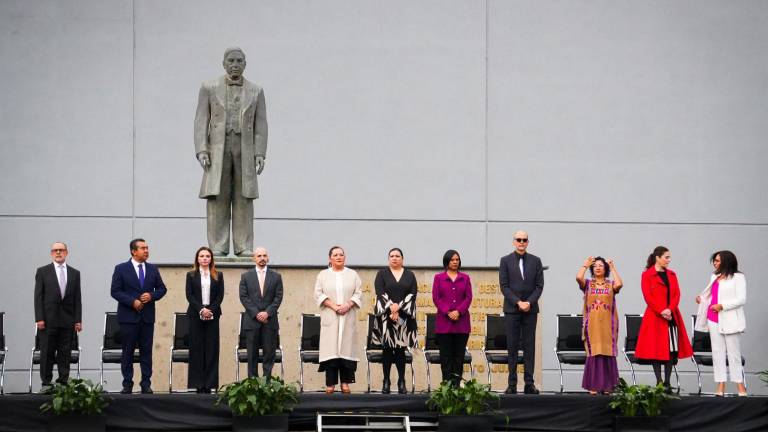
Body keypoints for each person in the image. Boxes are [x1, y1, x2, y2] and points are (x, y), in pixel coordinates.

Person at [194, 47, 268, 257]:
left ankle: (243, 245)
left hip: (244, 148)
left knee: (244, 197)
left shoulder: (256, 90)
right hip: (218, 149)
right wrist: (201, 149)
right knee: (218, 197)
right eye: (231, 61)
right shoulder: (209, 87)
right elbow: (201, 120)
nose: (235, 64)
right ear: (224, 63)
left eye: (239, 61)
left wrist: (260, 153)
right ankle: (218, 245)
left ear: (245, 64)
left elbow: (261, 124)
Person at [110, 238, 167, 394]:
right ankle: (127, 383)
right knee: (127, 351)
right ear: (133, 251)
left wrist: (151, 295)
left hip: (147, 318)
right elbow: (115, 291)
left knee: (146, 352)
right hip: (128, 318)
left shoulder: (153, 269)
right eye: (142, 248)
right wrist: (132, 301)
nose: (146, 250)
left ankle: (145, 383)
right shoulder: (121, 268)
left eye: (147, 248)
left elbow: (162, 289)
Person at [635, 246, 692, 393]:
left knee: (671, 350)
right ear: (658, 258)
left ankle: (667, 382)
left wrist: (669, 309)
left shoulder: (672, 274)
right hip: (655, 317)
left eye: (669, 257)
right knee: (656, 350)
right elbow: (648, 297)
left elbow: (676, 295)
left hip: (671, 316)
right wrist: (661, 310)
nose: (669, 260)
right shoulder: (647, 275)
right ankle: (659, 382)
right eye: (666, 257)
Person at [694, 250, 747, 396]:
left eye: (717, 260)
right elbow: (711, 296)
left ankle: (740, 386)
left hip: (730, 320)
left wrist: (722, 306)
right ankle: (720, 385)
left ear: (726, 261)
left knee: (733, 354)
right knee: (717, 353)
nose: (715, 263)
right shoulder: (714, 276)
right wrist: (702, 299)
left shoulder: (738, 277)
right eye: (714, 260)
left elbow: (741, 299)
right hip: (713, 318)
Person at [499, 231, 544, 394]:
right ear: (513, 242)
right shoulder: (505, 261)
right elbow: (504, 286)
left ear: (528, 242)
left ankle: (529, 383)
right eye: (519, 240)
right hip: (512, 310)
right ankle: (512, 384)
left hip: (530, 311)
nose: (521, 242)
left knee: (529, 346)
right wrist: (518, 302)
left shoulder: (536, 261)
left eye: (524, 240)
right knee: (512, 346)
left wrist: (528, 302)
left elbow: (539, 286)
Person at [314, 246, 362, 394]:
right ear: (330, 258)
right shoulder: (323, 275)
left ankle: (345, 383)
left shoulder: (353, 274)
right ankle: (330, 384)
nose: (339, 257)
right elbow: (318, 293)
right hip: (331, 317)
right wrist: (334, 306)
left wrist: (348, 305)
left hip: (347, 318)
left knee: (346, 351)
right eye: (335, 255)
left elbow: (358, 293)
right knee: (331, 352)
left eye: (341, 254)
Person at [33, 242, 82, 389]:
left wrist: (78, 320)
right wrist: (39, 318)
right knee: (47, 352)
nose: (58, 253)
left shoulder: (75, 273)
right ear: (51, 253)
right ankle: (46, 383)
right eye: (55, 250)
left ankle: (63, 383)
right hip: (48, 320)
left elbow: (77, 299)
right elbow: (38, 297)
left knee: (64, 353)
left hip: (67, 320)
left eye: (61, 250)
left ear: (66, 252)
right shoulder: (43, 271)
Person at [372, 248, 417, 394]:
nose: (394, 258)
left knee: (399, 350)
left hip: (403, 317)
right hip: (386, 317)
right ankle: (386, 380)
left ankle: (401, 380)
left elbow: (412, 293)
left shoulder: (410, 275)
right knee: (387, 349)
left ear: (402, 259)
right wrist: (391, 307)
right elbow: (380, 292)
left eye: (397, 256)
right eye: (391, 256)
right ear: (388, 259)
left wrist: (398, 308)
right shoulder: (381, 274)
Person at [576, 256, 623, 395]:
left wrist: (613, 268)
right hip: (592, 326)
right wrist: (585, 265)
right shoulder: (588, 284)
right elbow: (578, 278)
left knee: (607, 352)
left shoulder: (610, 285)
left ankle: (608, 386)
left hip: (608, 325)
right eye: (595, 265)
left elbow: (619, 284)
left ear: (605, 269)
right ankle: (593, 385)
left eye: (601, 265)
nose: (597, 267)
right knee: (594, 352)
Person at [239, 247, 283, 379]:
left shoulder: (276, 277)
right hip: (252, 322)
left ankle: (266, 383)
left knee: (269, 353)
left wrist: (267, 313)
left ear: (268, 258)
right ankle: (253, 382)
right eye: (259, 256)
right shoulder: (246, 276)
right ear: (254, 258)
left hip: (270, 322)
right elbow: (244, 297)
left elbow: (278, 297)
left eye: (264, 255)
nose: (262, 258)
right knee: (251, 354)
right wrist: (257, 313)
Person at [185, 246, 225, 393]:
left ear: (211, 259)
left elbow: (220, 296)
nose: (204, 258)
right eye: (201, 256)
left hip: (213, 315)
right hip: (196, 314)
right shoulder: (190, 275)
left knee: (212, 349)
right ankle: (198, 384)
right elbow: (189, 295)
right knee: (196, 349)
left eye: (207, 256)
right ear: (197, 258)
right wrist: (201, 309)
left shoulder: (218, 275)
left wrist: (210, 310)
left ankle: (209, 384)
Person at [432, 249, 472, 387]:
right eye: (452, 260)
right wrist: (448, 311)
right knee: (446, 357)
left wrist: (458, 312)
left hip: (462, 324)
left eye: (457, 260)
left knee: (458, 358)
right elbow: (436, 298)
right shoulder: (438, 278)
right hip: (444, 324)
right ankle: (447, 387)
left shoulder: (465, 278)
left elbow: (468, 298)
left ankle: (456, 386)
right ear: (447, 261)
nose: (455, 262)